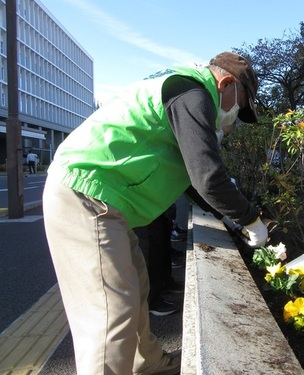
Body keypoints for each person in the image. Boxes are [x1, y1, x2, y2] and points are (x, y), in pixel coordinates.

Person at [42, 51, 268, 375]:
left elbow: (193, 179)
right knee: (111, 313)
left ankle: (147, 366)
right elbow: (207, 177)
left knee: (136, 291)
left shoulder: (184, 91)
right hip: (85, 194)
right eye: (240, 105)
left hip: (102, 200)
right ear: (227, 83)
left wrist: (226, 215)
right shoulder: (194, 93)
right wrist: (251, 219)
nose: (234, 116)